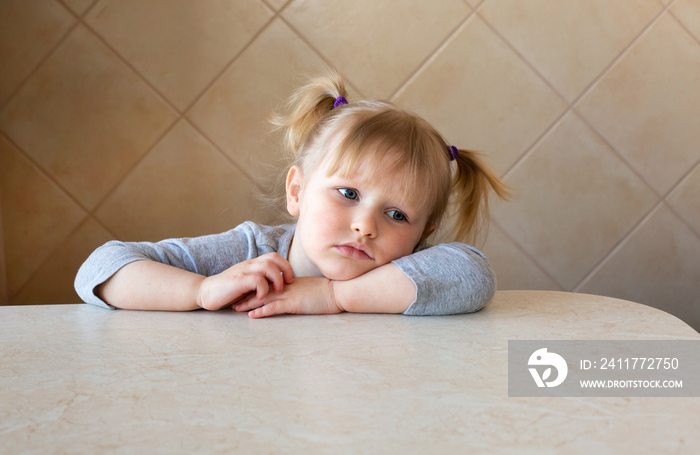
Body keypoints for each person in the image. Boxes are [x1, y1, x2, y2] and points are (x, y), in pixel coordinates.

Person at [75, 70, 510, 318]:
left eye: (397, 216)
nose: (365, 226)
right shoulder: (252, 253)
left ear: (422, 233)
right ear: (297, 190)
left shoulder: (412, 268)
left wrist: (335, 297)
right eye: (348, 193)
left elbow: (475, 277)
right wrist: (201, 291)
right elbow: (101, 268)